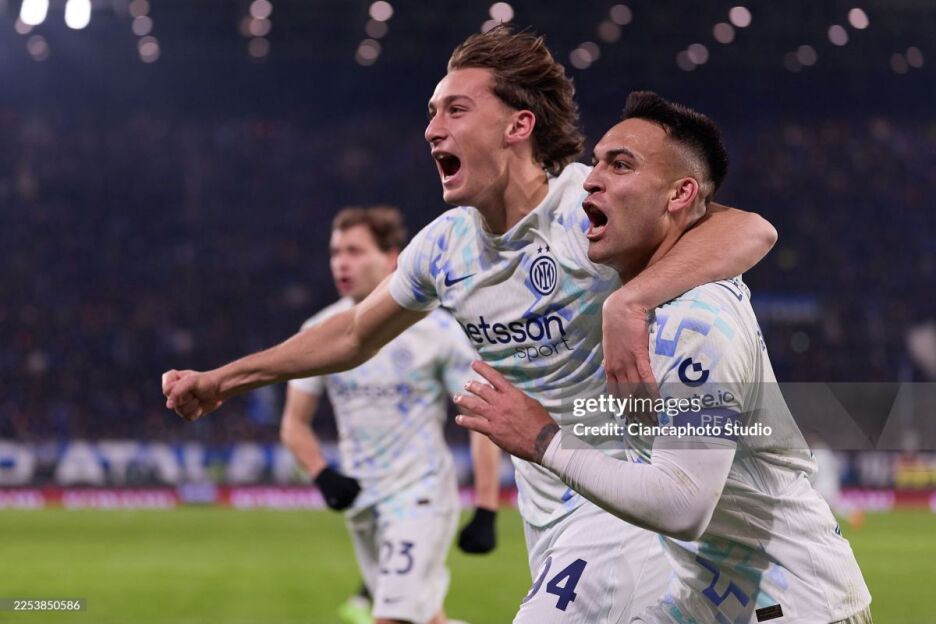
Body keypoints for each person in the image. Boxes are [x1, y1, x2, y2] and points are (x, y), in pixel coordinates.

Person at [162, 27, 777, 622]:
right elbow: (352, 335)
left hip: (620, 503)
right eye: (432, 113)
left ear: (518, 125)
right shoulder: (444, 249)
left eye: (456, 109)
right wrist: (223, 380)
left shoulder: (587, 209)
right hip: (547, 514)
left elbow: (750, 230)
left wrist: (628, 302)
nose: (433, 129)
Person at [456, 91, 872, 623]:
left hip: (795, 606)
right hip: (714, 602)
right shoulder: (640, 299)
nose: (591, 179)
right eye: (597, 162)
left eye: (620, 165)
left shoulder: (698, 320)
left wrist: (544, 440)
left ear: (680, 194)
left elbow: (683, 503)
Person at [280, 206, 499, 624]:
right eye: (336, 252)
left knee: (390, 618)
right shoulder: (319, 332)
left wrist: (486, 507)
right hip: (362, 501)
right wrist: (322, 474)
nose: (341, 263)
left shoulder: (436, 331)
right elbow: (293, 424)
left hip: (420, 494)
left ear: (391, 258)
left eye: (355, 251)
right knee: (425, 618)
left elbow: (482, 418)